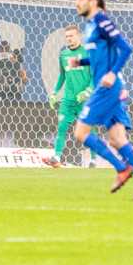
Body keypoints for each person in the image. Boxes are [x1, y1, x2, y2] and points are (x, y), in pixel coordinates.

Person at [72, 0, 133, 200]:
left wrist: (112, 73)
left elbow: (126, 48)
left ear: (93, 2)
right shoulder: (91, 26)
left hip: (108, 88)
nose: (76, 2)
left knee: (80, 133)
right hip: (110, 87)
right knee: (117, 139)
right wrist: (81, 62)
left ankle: (121, 167)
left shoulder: (102, 22)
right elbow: (99, 57)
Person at [45, 24, 92, 167]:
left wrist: (88, 91)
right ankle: (57, 158)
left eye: (71, 35)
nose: (69, 38)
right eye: (67, 36)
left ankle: (93, 161)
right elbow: (62, 75)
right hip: (68, 99)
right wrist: (54, 92)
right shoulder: (64, 55)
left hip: (84, 99)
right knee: (61, 128)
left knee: (89, 130)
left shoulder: (88, 53)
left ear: (79, 36)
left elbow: (95, 76)